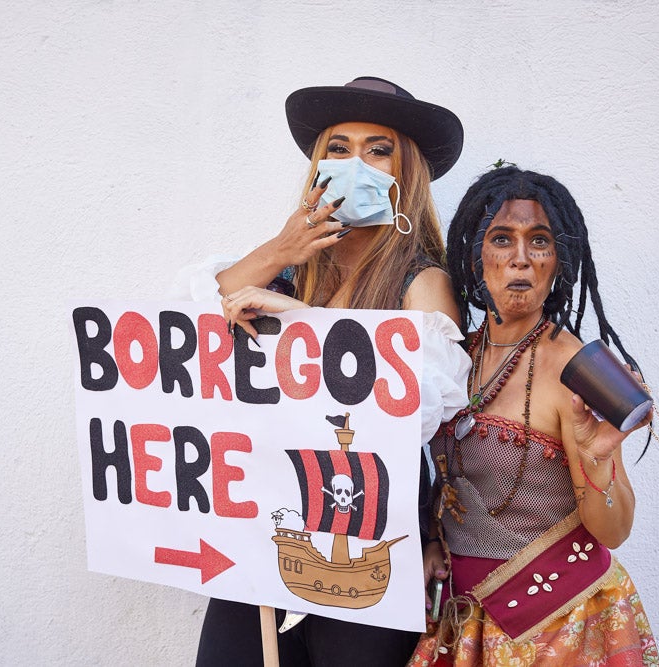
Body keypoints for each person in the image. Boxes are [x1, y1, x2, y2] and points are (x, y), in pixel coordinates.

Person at [170, 76, 471, 666]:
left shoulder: (422, 281)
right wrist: (280, 250)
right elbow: (174, 338)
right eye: (338, 147)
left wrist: (305, 323)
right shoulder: (287, 269)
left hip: (366, 550)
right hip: (264, 532)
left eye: (377, 149)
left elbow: (422, 405)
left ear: (404, 173)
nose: (354, 163)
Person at [409, 166, 659, 666]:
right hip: (462, 620)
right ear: (475, 254)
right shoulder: (453, 356)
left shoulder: (581, 369)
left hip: (560, 625)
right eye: (502, 239)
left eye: (539, 240)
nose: (520, 259)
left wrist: (596, 458)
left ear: (558, 261)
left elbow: (614, 531)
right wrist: (432, 540)